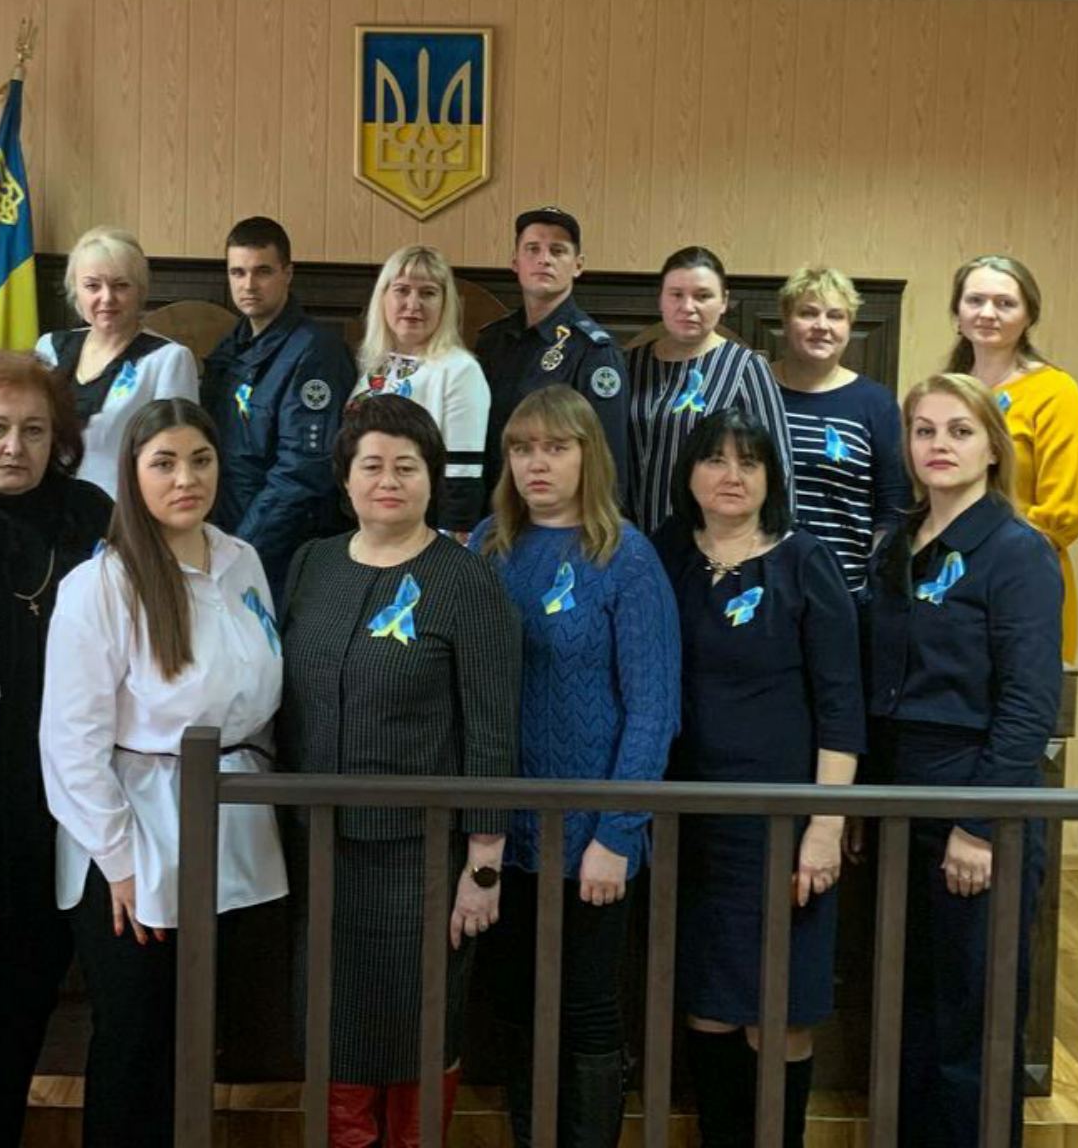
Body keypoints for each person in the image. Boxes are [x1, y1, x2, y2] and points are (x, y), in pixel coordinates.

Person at [40, 398, 286, 1148]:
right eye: (165, 463)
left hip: (231, 824)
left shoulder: (242, 560)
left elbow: (259, 694)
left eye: (200, 460)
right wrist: (120, 863)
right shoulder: (101, 585)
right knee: (136, 1038)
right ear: (133, 474)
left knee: (198, 1034)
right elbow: (70, 742)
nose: (187, 479)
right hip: (134, 833)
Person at [280, 397, 521, 1146]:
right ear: (345, 478)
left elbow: (491, 732)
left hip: (423, 858)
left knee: (420, 1029)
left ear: (433, 479)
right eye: (372, 465)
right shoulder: (312, 564)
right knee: (332, 1028)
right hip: (320, 851)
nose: (388, 481)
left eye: (407, 467)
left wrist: (483, 865)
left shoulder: (466, 580)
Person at [473, 387, 680, 1148]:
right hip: (504, 834)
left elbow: (654, 710)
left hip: (593, 836)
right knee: (519, 1007)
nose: (537, 463)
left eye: (556, 448)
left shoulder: (626, 556)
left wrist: (617, 834)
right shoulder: (487, 545)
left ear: (590, 456)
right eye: (522, 448)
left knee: (586, 1007)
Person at [652, 410, 864, 1148]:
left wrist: (826, 826)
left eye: (749, 462)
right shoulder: (665, 553)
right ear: (689, 473)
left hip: (785, 825)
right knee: (709, 1005)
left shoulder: (806, 561)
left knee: (780, 1011)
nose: (731, 475)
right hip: (693, 822)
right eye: (714, 459)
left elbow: (841, 706)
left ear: (773, 477)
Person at [866, 374, 1062, 1148]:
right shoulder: (895, 541)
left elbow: (1028, 704)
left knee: (971, 1022)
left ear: (992, 449)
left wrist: (979, 825)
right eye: (924, 431)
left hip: (977, 801)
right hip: (897, 801)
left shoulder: (1018, 551)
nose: (939, 445)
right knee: (910, 1011)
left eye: (959, 431)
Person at [0, 354, 113, 1147]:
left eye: (35, 430)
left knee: (24, 995)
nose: (16, 446)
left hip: (62, 794)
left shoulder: (91, 514)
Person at [201, 214, 356, 598]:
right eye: (237, 272)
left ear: (288, 273)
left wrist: (241, 548)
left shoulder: (316, 351)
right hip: (225, 535)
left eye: (263, 271)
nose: (248, 285)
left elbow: (303, 471)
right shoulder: (229, 350)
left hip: (283, 551)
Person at [948, 255, 1078, 663]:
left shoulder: (1054, 390)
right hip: (948, 579)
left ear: (1029, 316)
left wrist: (993, 562)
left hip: (1022, 577)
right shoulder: (946, 392)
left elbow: (1066, 510)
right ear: (957, 313)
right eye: (975, 300)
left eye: (1005, 303)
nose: (987, 313)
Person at [627, 245, 795, 534]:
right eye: (676, 294)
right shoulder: (630, 364)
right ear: (661, 299)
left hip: (712, 540)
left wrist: (773, 544)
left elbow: (778, 466)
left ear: (723, 302)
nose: (688, 306)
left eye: (702, 296)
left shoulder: (745, 367)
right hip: (630, 539)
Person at [770, 267, 911, 598]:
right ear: (786, 320)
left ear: (850, 326)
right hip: (761, 587)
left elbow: (894, 504)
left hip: (845, 591)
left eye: (835, 316)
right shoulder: (753, 386)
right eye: (808, 313)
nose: (822, 326)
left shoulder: (876, 403)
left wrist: (875, 581)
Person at [476, 206, 630, 500]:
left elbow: (608, 460)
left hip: (562, 514)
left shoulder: (594, 351)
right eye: (532, 249)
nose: (544, 259)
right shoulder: (492, 342)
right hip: (495, 510)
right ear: (515, 262)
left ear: (578, 265)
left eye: (557, 251)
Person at [36, 225, 198, 497]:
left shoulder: (168, 360)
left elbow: (176, 456)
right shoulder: (49, 348)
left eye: (121, 285)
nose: (107, 298)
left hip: (122, 510)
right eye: (92, 286)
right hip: (48, 502)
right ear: (75, 290)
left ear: (140, 291)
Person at [351, 244, 492, 533]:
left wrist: (447, 552)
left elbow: (463, 479)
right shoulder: (372, 364)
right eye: (402, 290)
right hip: (365, 527)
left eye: (428, 293)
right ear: (383, 297)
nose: (413, 304)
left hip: (423, 533)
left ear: (445, 304)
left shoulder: (460, 370)